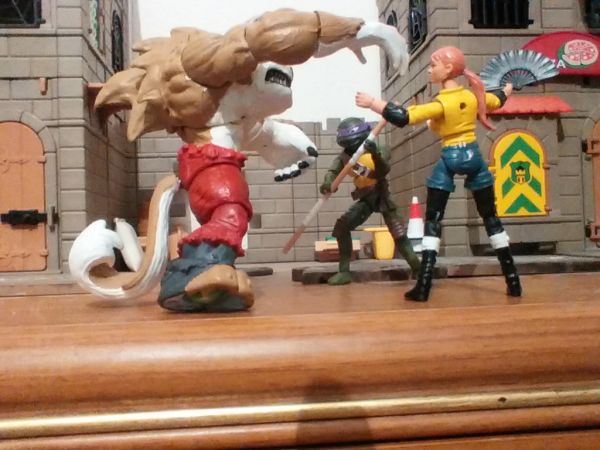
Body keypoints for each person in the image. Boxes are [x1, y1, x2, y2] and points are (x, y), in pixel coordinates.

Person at [355, 46, 521, 301]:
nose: (429, 70)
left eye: (433, 65)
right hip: (474, 156)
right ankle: (513, 281)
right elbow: (497, 99)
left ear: (448, 69)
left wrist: (373, 103)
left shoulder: (442, 102)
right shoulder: (473, 95)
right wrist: (508, 89)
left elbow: (404, 117)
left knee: (433, 221)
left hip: (450, 156)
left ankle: (424, 286)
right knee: (491, 218)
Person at [320, 117, 421, 285]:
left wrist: (375, 155)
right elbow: (332, 172)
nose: (351, 148)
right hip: (365, 199)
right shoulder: (344, 157)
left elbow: (383, 170)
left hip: (382, 196)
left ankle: (417, 268)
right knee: (342, 228)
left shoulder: (380, 149)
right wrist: (328, 183)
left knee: (399, 233)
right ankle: (344, 271)